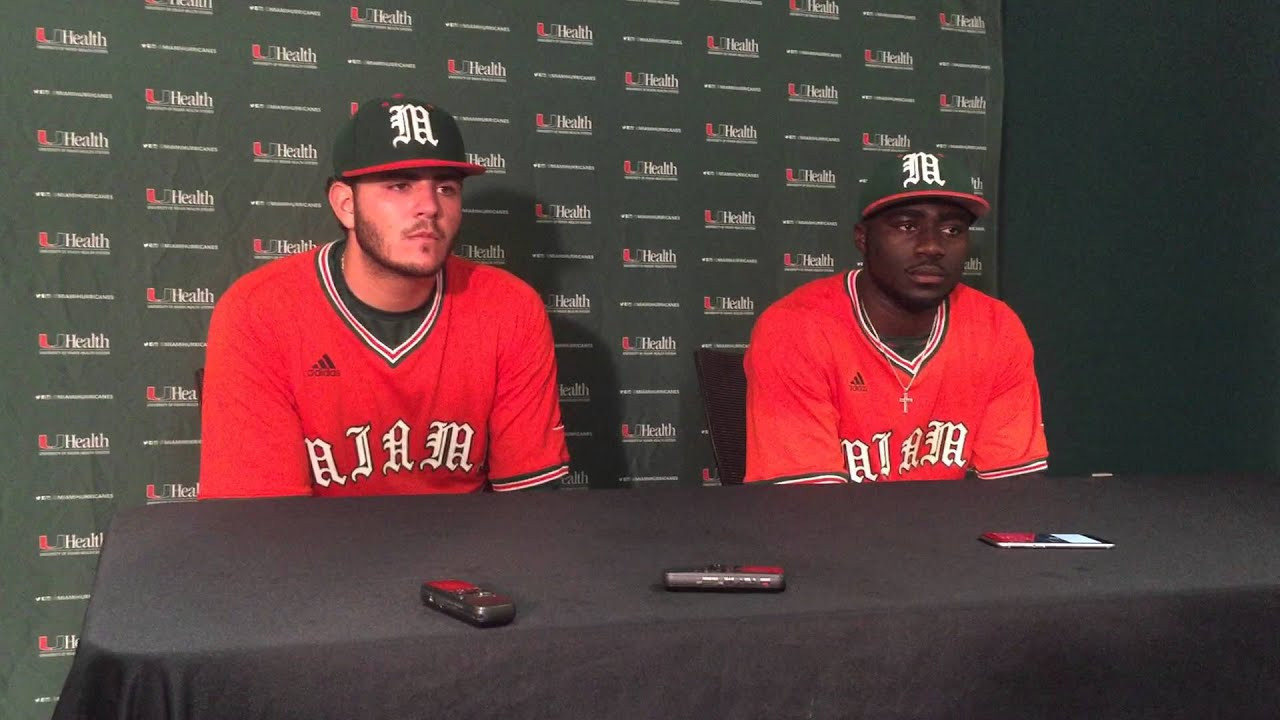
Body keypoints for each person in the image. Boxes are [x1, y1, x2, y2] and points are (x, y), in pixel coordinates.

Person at [199, 94, 569, 497]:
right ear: (345, 205)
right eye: (399, 185)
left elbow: (531, 510)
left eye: (446, 187)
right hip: (315, 556)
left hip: (469, 556)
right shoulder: (260, 313)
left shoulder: (509, 308)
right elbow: (259, 530)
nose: (429, 206)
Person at [744, 150, 1048, 484]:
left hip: (952, 535)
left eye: (951, 229)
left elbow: (1012, 494)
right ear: (863, 239)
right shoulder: (795, 329)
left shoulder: (996, 328)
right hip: (837, 533)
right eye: (906, 225)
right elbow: (807, 512)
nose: (931, 246)